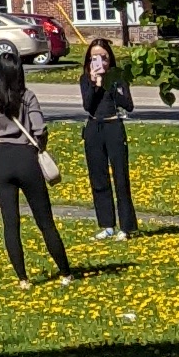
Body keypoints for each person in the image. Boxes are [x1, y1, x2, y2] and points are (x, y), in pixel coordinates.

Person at [0, 45, 74, 281]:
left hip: (2, 161)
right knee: (45, 221)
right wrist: (40, 146)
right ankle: (65, 273)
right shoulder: (28, 97)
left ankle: (23, 279)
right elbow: (39, 129)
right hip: (26, 158)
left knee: (11, 225)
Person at [78, 34, 139, 239]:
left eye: (103, 57)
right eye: (94, 58)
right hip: (95, 127)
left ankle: (126, 226)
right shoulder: (86, 78)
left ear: (109, 58)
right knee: (98, 177)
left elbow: (128, 105)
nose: (99, 62)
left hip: (114, 126)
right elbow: (88, 104)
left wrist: (109, 84)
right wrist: (96, 83)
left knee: (120, 177)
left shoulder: (117, 76)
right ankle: (106, 224)